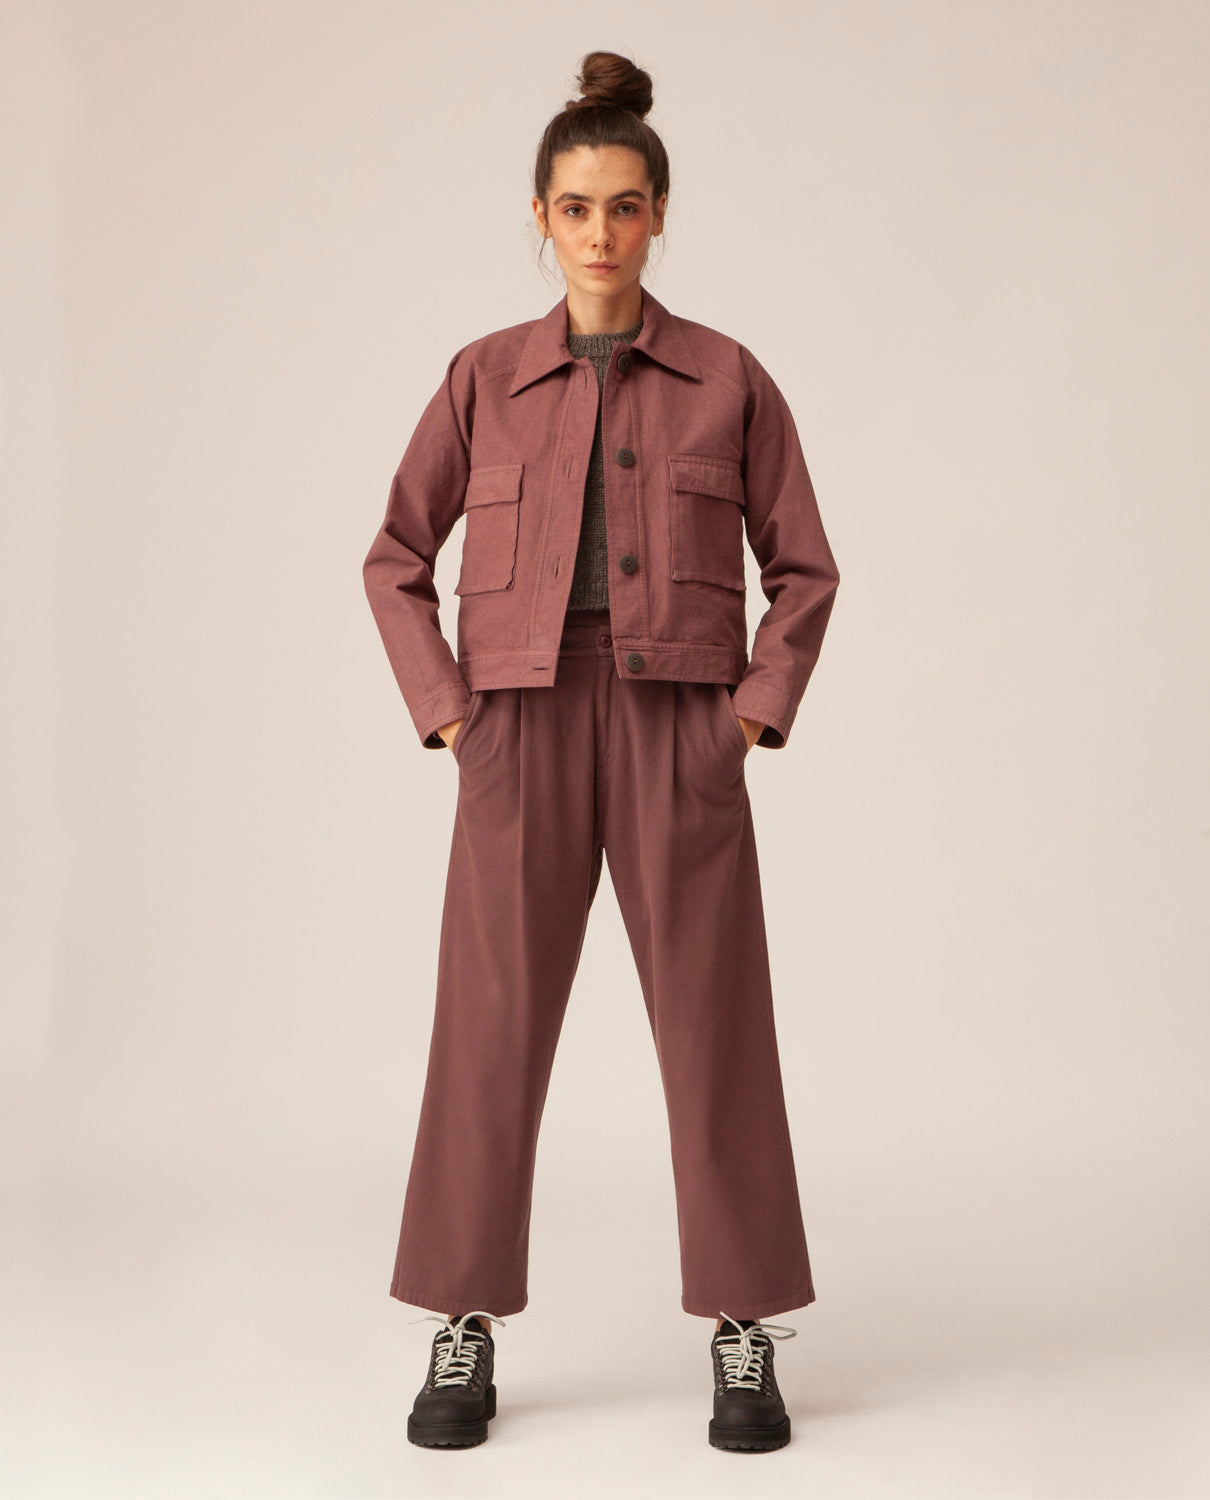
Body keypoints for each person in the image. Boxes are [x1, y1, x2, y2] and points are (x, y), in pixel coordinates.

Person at [361, 50, 840, 1454]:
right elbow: (395, 557)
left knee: (713, 1025)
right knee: (488, 1027)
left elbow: (803, 569)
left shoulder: (727, 378)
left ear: (658, 216)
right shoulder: (482, 378)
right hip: (515, 727)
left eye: (626, 207)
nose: (601, 233)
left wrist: (746, 715)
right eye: (576, 208)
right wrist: (451, 712)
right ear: (539, 216)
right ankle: (461, 1319)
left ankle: (744, 1325)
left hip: (677, 725)